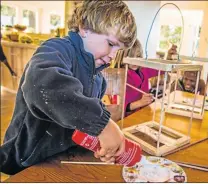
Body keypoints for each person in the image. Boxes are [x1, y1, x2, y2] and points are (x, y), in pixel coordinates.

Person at [0, 0, 137, 175]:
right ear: (85, 28)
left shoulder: (99, 81)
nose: (113, 56)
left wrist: (101, 142)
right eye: (111, 44)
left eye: (119, 51)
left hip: (61, 158)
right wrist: (103, 125)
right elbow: (43, 87)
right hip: (25, 161)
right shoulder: (56, 49)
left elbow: (81, 120)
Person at [123, 39, 162, 116]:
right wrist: (140, 103)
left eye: (138, 56)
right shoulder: (120, 75)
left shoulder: (143, 70)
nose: (135, 61)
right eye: (131, 56)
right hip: (126, 118)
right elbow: (117, 106)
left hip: (143, 113)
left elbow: (162, 68)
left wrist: (169, 57)